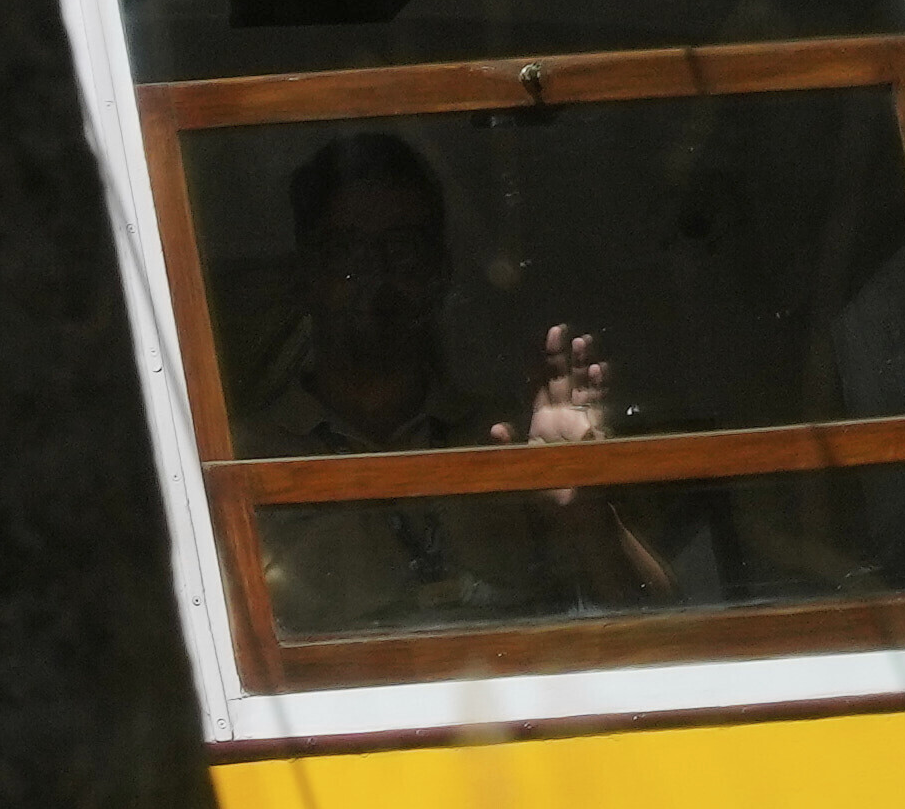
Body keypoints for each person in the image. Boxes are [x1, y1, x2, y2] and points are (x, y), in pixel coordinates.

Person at [259, 124, 668, 625]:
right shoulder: (247, 460)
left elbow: (663, 627)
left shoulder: (509, 440)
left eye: (404, 250)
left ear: (440, 272)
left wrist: (585, 515)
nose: (376, 275)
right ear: (305, 276)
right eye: (346, 251)